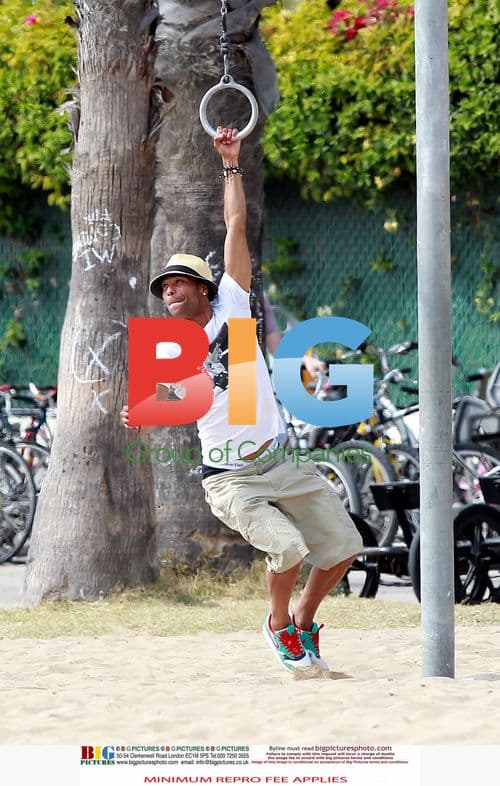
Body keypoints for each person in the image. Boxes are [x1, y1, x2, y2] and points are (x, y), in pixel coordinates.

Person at [121, 127, 362, 676]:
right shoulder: (170, 350)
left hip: (281, 459)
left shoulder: (233, 300)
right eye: (162, 288)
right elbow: (168, 396)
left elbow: (234, 224)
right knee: (288, 550)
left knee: (345, 546)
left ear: (205, 288)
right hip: (230, 479)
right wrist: (143, 412)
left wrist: (230, 162)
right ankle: (278, 628)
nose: (168, 292)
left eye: (178, 283)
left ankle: (303, 618)